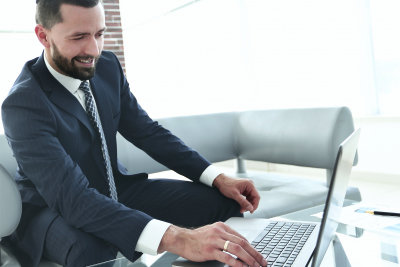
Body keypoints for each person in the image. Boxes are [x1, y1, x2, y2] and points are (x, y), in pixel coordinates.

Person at [1, 1, 267, 267]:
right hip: (52, 208)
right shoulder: (24, 104)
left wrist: (217, 178)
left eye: (99, 34)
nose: (93, 50)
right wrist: (181, 239)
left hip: (114, 189)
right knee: (91, 250)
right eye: (79, 37)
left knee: (222, 205)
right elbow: (72, 198)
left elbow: (148, 132)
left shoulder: (107, 67)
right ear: (43, 36)